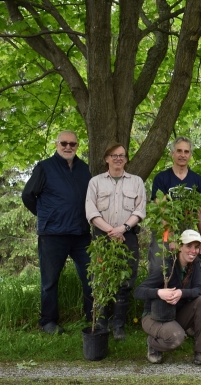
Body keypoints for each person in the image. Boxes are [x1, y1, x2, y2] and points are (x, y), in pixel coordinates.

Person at [21, 130, 93, 335]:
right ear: (56, 144)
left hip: (81, 234)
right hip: (52, 234)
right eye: (64, 143)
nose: (68, 147)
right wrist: (46, 215)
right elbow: (28, 195)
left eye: (72, 144)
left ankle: (94, 318)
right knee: (50, 281)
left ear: (77, 146)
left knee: (91, 277)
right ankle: (48, 322)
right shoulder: (45, 167)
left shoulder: (84, 169)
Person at [85, 143, 147, 340]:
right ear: (106, 159)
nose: (118, 158)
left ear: (126, 159)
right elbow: (91, 211)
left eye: (122, 155)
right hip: (102, 236)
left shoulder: (136, 182)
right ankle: (101, 323)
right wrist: (111, 230)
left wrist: (123, 228)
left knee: (126, 279)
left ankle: (118, 325)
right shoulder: (95, 182)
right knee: (101, 279)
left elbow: (140, 209)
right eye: (114, 155)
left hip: (127, 235)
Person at [134, 230, 201, 369]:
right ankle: (153, 343)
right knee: (177, 338)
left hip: (175, 315)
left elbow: (199, 289)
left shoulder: (195, 264)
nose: (193, 251)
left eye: (196, 247)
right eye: (189, 246)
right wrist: (159, 293)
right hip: (154, 316)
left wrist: (181, 292)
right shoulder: (167, 266)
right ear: (180, 246)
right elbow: (138, 292)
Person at [148, 137, 201, 273]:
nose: (183, 155)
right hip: (164, 231)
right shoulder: (161, 178)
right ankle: (157, 294)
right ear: (172, 154)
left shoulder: (197, 180)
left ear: (190, 155)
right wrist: (171, 237)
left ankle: (188, 294)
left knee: (189, 271)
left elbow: (200, 212)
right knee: (160, 268)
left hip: (188, 230)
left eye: (186, 152)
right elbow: (162, 209)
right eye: (179, 151)